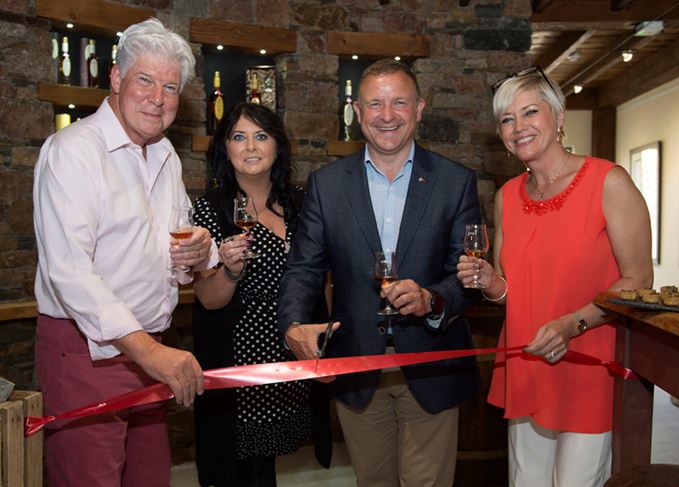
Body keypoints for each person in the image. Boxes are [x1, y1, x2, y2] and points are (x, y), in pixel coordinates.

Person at [278, 59, 482, 487]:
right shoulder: (327, 184)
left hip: (432, 362)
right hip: (357, 364)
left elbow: (467, 275)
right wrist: (293, 324)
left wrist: (432, 299)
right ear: (356, 111)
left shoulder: (455, 181)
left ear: (420, 108)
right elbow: (304, 267)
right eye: (375, 104)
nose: (387, 115)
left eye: (399, 102)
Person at [33, 18, 217, 487]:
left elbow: (176, 248)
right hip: (84, 353)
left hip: (148, 351)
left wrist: (199, 250)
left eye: (171, 86)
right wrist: (151, 352)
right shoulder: (72, 151)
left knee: (150, 478)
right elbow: (69, 272)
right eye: (146, 80)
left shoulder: (165, 155)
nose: (158, 97)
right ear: (115, 79)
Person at [457, 66, 653, 487]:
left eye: (530, 112)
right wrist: (492, 284)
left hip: (588, 362)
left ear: (559, 117)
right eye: (507, 119)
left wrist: (572, 323)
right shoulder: (507, 195)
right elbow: (515, 291)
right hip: (526, 361)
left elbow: (638, 280)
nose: (518, 127)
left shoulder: (609, 181)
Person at [192, 102, 330, 487]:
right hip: (242, 361)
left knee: (265, 466)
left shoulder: (304, 203)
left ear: (277, 146)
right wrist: (231, 271)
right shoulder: (210, 210)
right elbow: (207, 298)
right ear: (225, 148)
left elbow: (324, 278)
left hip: (292, 355)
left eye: (261, 135)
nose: (251, 146)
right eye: (239, 136)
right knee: (243, 471)